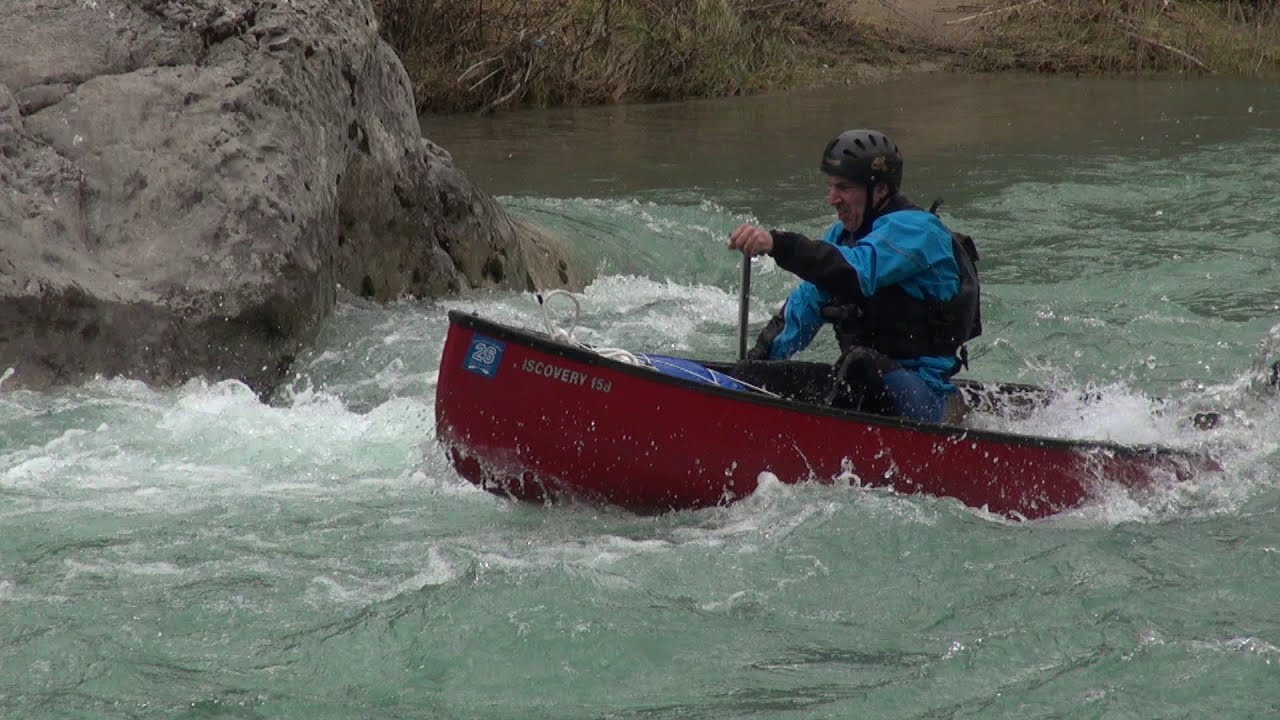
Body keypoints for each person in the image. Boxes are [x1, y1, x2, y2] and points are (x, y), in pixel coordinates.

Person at [727, 128, 981, 424]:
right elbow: (804, 308)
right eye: (831, 186)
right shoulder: (841, 237)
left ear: (880, 190)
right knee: (754, 374)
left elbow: (856, 271)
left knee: (860, 364)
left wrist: (779, 244)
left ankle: (828, 436)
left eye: (844, 187)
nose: (832, 199)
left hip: (923, 398)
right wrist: (752, 369)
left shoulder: (919, 232)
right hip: (861, 387)